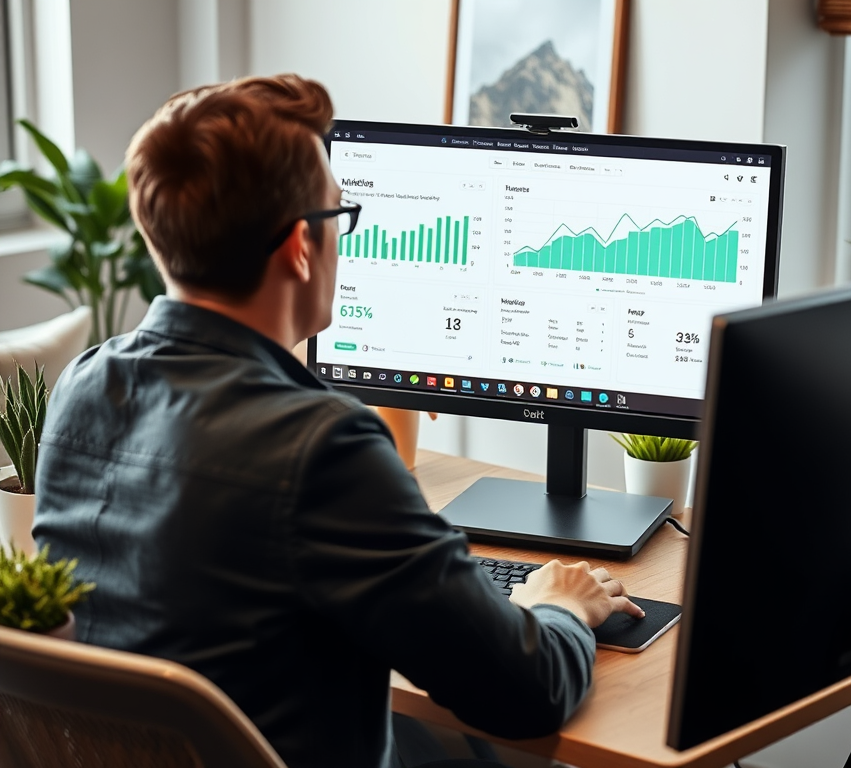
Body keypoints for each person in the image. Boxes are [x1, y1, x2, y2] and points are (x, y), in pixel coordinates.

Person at [33, 74, 643, 768]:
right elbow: (525, 692)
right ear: (300, 245)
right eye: (339, 215)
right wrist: (559, 605)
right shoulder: (321, 446)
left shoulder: (82, 387)